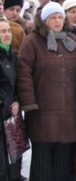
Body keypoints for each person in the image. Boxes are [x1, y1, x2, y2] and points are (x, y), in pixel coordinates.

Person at [17, 2, 76, 181]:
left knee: (65, 160)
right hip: (42, 112)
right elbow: (24, 73)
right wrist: (29, 102)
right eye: (53, 17)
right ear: (44, 20)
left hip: (69, 112)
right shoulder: (32, 42)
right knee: (42, 161)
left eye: (60, 17)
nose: (57, 21)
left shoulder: (73, 41)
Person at [0, 19, 23, 180]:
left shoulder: (13, 57)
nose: (7, 34)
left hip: (10, 115)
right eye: (2, 31)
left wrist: (16, 100)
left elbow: (16, 85)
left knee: (14, 158)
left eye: (8, 30)